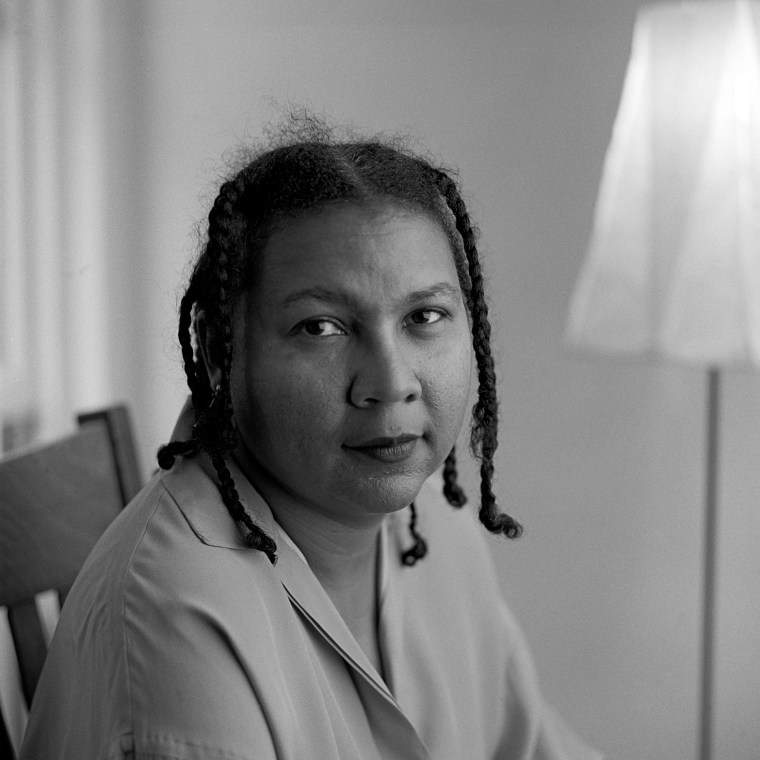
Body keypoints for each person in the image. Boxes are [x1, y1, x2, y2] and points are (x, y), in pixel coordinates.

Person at [20, 119, 603, 759]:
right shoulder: (177, 626)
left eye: (425, 317)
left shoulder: (433, 521)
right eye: (320, 327)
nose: (389, 383)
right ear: (221, 350)